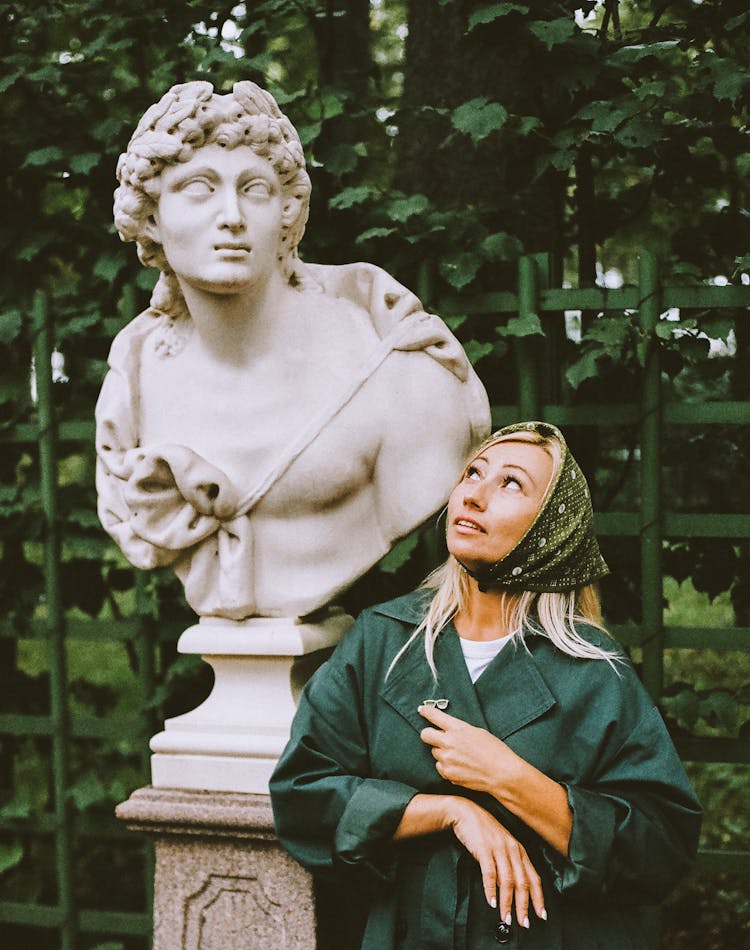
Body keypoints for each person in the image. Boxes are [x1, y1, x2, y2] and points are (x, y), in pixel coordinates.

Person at [269, 421, 702, 950]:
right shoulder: (383, 641)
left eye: (510, 484)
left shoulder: (592, 668)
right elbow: (303, 794)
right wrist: (450, 811)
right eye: (473, 472)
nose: (474, 494)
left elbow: (659, 844)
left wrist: (509, 778)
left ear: (551, 527)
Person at [95, 80, 490, 619]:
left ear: (287, 211)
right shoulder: (133, 376)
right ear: (149, 219)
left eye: (254, 189)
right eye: (199, 188)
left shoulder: (395, 362)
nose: (231, 215)